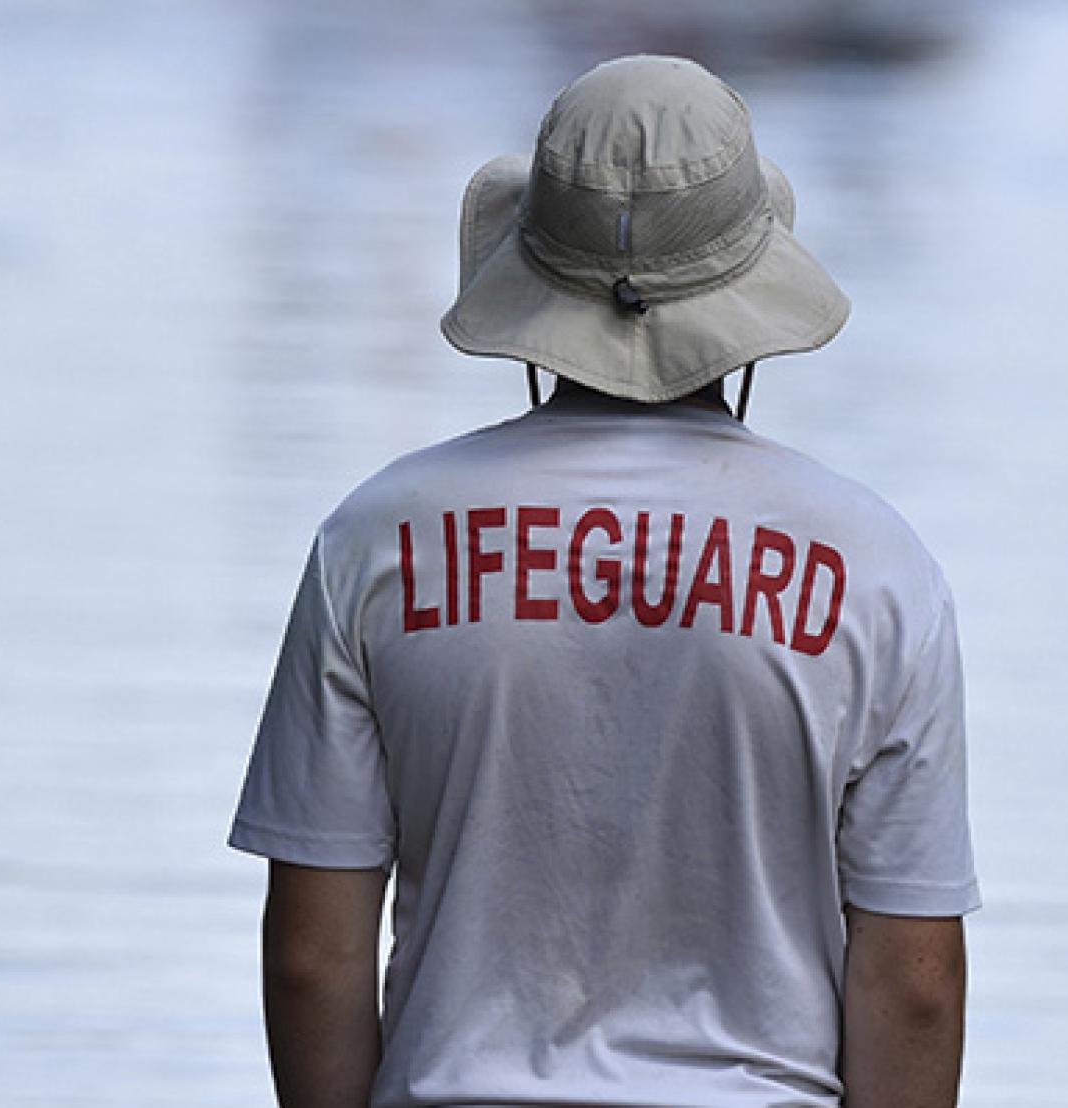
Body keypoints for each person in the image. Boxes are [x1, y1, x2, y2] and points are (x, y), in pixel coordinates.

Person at [229, 54, 980, 1108]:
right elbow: (914, 986)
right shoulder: (876, 570)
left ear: (533, 291)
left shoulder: (376, 542)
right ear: (747, 301)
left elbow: (313, 956)